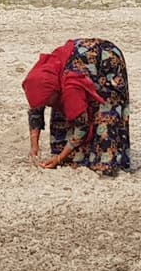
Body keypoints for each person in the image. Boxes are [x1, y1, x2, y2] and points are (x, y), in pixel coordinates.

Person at [22, 38, 131, 175]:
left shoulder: (70, 86)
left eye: (49, 102)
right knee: (62, 119)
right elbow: (36, 109)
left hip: (106, 62)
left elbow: (82, 126)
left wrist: (60, 158)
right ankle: (76, 154)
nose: (48, 106)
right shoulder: (40, 78)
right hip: (78, 59)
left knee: (104, 112)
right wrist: (34, 146)